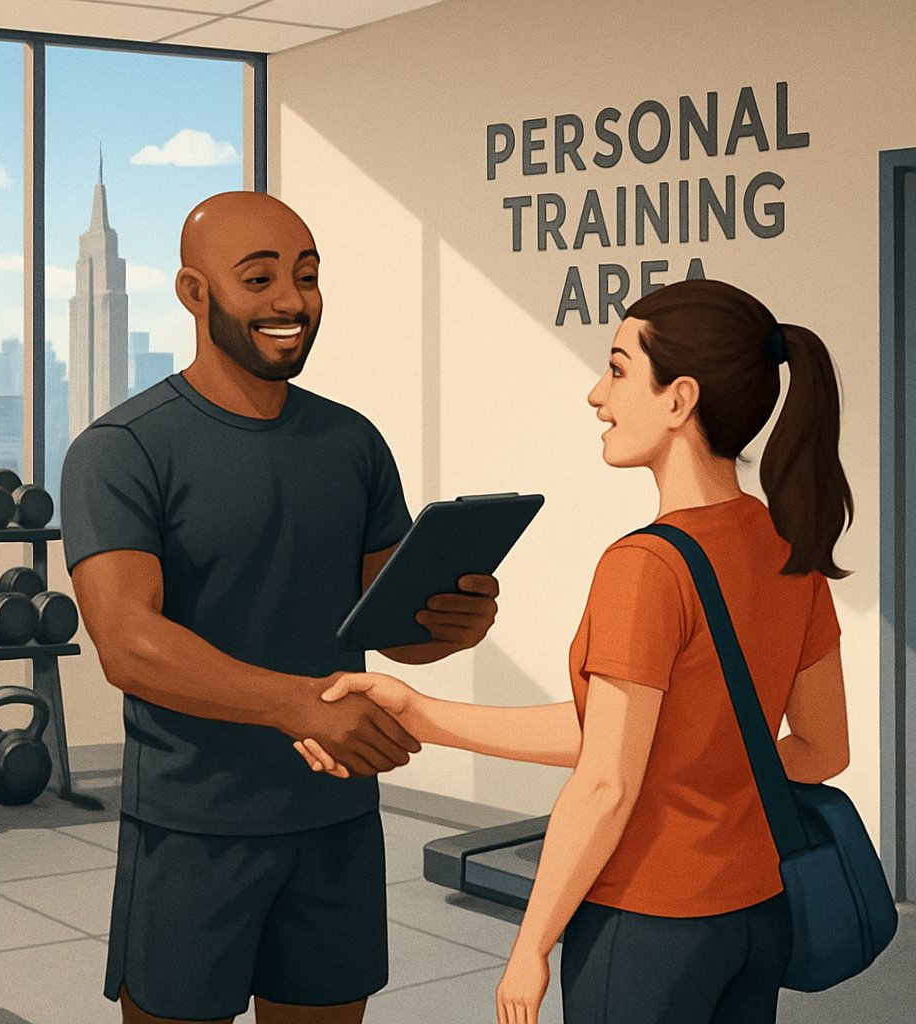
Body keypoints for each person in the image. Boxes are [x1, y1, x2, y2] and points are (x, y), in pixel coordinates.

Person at [296, 278, 853, 1024]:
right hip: (758, 914)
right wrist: (420, 712)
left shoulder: (647, 567)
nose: (598, 394)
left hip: (648, 924)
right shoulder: (789, 545)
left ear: (679, 400)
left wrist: (532, 944)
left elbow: (605, 786)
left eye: (619, 369)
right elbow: (821, 749)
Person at [60, 190, 501, 1024]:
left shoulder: (352, 442)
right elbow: (128, 644)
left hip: (337, 813)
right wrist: (296, 703)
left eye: (306, 276)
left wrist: (447, 625)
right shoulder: (121, 451)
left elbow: (389, 626)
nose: (291, 302)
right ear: (196, 294)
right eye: (258, 279)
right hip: (196, 826)